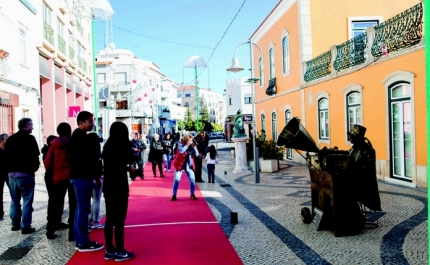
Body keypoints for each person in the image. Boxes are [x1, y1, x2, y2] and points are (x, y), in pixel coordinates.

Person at [69, 111, 104, 252]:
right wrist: (96, 175)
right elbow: (86, 160)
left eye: (92, 120)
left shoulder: (81, 137)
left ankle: (80, 240)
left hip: (80, 176)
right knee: (83, 210)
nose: (93, 123)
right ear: (81, 122)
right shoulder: (80, 138)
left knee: (80, 209)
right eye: (90, 121)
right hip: (81, 177)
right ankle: (83, 242)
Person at [102, 121, 136, 261]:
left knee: (110, 218)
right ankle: (120, 250)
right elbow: (128, 159)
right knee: (120, 219)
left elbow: (114, 165)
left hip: (108, 184)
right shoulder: (123, 145)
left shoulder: (107, 145)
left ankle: (110, 249)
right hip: (119, 185)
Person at [5, 118, 40, 234]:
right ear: (26, 126)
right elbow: (36, 155)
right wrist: (34, 167)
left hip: (12, 173)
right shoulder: (30, 139)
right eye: (31, 125)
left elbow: (6, 155)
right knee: (27, 201)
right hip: (26, 174)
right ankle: (25, 226)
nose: (32, 127)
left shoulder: (11, 139)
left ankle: (15, 224)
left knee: (14, 200)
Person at [43, 123, 76, 240]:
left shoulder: (53, 144)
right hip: (72, 178)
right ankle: (72, 233)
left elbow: (47, 163)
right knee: (74, 206)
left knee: (56, 204)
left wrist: (54, 172)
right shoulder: (74, 142)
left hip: (58, 179)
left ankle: (50, 230)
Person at [347, 125, 382, 212]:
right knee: (340, 187)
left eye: (352, 136)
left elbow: (368, 168)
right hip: (355, 178)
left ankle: (354, 214)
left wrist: (353, 169)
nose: (349, 138)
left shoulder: (368, 150)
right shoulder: (354, 148)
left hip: (364, 183)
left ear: (357, 138)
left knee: (346, 191)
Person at [171, 133, 199, 201]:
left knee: (192, 179)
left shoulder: (192, 145)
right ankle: (174, 195)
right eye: (190, 140)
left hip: (188, 165)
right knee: (177, 180)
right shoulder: (181, 144)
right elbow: (181, 151)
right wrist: (187, 145)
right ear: (186, 140)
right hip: (180, 164)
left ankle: (192, 194)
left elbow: (197, 154)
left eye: (191, 140)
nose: (191, 141)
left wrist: (194, 146)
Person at [88, 132, 104, 230]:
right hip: (97, 177)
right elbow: (98, 167)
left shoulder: (86, 152)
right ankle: (96, 221)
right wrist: (98, 178)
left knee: (90, 200)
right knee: (96, 200)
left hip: (87, 177)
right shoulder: (97, 153)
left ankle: (90, 219)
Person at [0, 133, 9, 220]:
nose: (8, 140)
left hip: (9, 174)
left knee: (15, 194)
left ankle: (17, 212)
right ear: (2, 140)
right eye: (7, 139)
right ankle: (0, 213)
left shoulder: (9, 150)